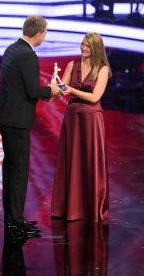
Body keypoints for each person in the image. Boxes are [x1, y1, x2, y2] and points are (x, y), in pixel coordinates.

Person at [0, 15, 62, 239]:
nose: (45, 36)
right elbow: (32, 91)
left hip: (7, 117)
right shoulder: (28, 55)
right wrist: (51, 90)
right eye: (46, 32)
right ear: (39, 33)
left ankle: (13, 219)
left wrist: (46, 90)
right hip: (16, 120)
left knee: (11, 169)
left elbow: (21, 88)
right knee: (18, 172)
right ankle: (15, 222)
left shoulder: (13, 48)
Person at [51, 32, 111, 222]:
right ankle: (70, 208)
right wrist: (55, 85)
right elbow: (62, 90)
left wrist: (71, 90)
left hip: (91, 120)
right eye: (82, 44)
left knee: (89, 161)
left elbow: (95, 97)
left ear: (95, 48)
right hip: (73, 118)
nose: (82, 48)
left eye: (86, 45)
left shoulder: (102, 69)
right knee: (72, 160)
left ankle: (90, 208)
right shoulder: (72, 65)